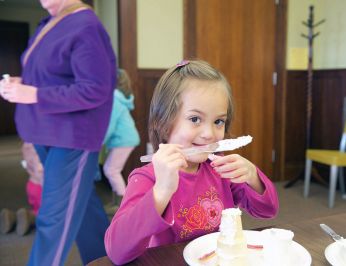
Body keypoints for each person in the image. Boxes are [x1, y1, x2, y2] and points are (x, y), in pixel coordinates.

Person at [104, 59, 279, 264]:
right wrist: (161, 190)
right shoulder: (146, 178)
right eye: (195, 119)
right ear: (163, 123)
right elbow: (116, 251)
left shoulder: (219, 169)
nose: (209, 134)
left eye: (218, 121)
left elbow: (268, 211)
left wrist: (252, 176)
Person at [0, 0, 116, 265]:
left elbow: (94, 88)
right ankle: (104, 260)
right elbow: (54, 77)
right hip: (49, 134)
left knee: (54, 218)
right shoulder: (50, 22)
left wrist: (34, 93)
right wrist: (23, 84)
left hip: (72, 137)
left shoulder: (85, 25)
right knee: (83, 205)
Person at [102, 69, 140, 213]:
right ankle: (116, 202)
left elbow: (109, 125)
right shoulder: (117, 98)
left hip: (124, 140)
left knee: (111, 169)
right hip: (125, 139)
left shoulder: (114, 100)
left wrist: (99, 143)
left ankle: (121, 205)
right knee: (112, 169)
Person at [0, 142, 43, 236]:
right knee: (49, 214)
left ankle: (12, 217)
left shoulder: (27, 144)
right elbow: (41, 170)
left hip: (32, 184)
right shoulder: (44, 145)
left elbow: (27, 164)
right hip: (41, 186)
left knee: (37, 209)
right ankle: (29, 218)